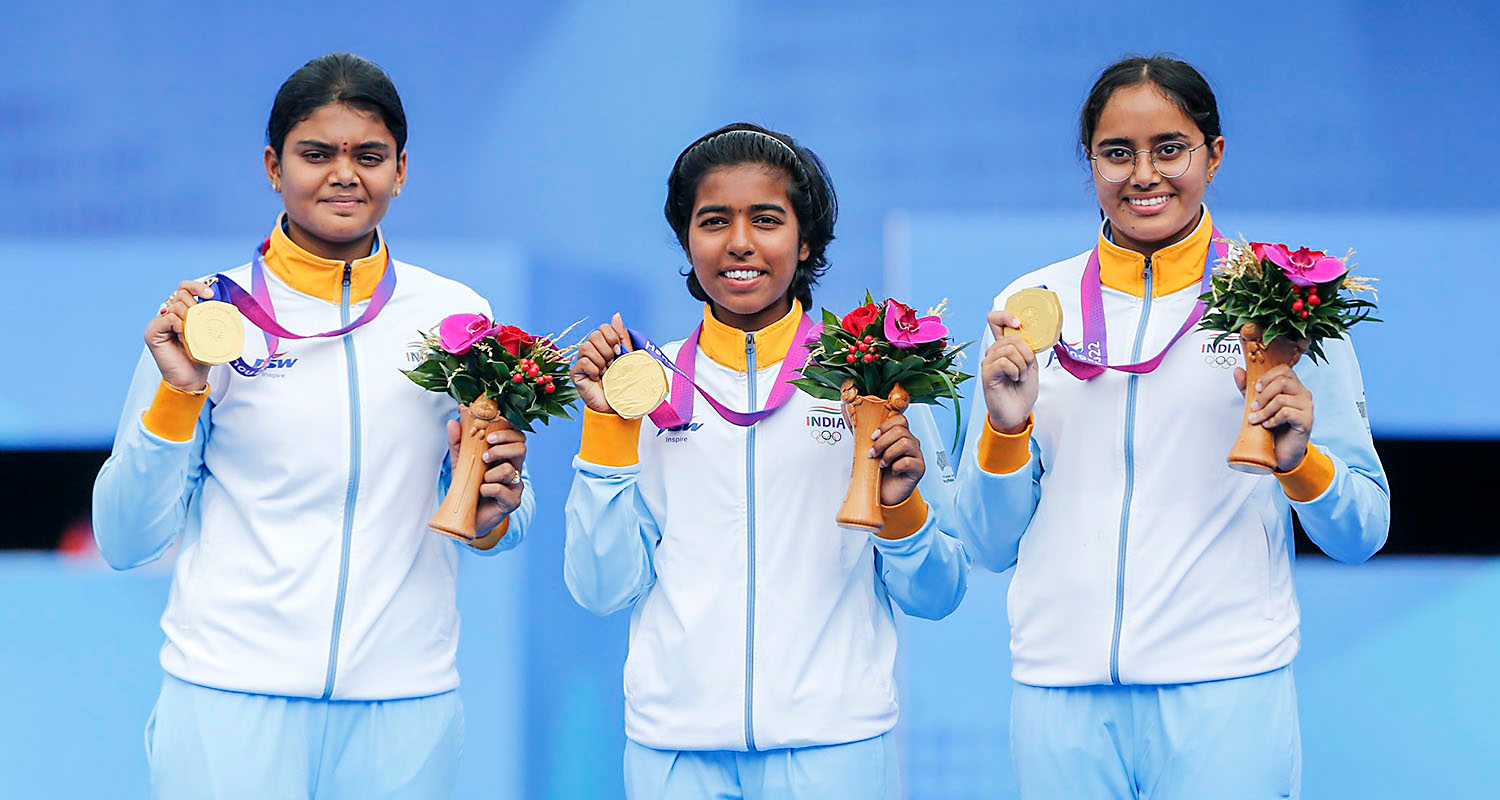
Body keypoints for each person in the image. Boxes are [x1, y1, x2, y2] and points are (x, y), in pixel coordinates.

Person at [91, 52, 531, 799]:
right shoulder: (208, 318)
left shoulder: (458, 318)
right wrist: (179, 396)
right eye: (316, 154)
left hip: (405, 703)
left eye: (369, 156)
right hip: (229, 697)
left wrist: (494, 512)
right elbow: (125, 538)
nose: (344, 175)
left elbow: (503, 521)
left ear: (402, 169)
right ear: (272, 165)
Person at [954, 56, 1390, 799]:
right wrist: (1006, 427)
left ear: (1214, 156)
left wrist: (1298, 460)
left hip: (1227, 690)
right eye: (1117, 153)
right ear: (1089, 161)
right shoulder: (1030, 305)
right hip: (1059, 694)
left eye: (1170, 148)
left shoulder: (1284, 303)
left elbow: (1363, 530)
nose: (1143, 174)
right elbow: (986, 543)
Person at [564, 122, 971, 799]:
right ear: (688, 240)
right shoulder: (643, 386)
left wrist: (901, 510)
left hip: (835, 748)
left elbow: (939, 592)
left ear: (806, 241)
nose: (740, 242)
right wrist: (607, 429)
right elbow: (599, 589)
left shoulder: (874, 379)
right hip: (674, 753)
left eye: (768, 219)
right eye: (714, 220)